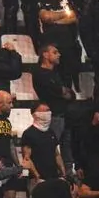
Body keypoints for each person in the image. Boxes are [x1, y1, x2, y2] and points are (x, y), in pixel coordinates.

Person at [28, 0, 80, 88]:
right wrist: (64, 14)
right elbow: (46, 17)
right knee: (51, 76)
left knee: (67, 75)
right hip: (49, 43)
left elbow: (73, 17)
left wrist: (56, 20)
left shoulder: (63, 0)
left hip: (67, 44)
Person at [31, 43, 73, 174]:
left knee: (67, 147)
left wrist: (63, 92)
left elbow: (70, 94)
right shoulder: (39, 73)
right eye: (55, 52)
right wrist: (62, 92)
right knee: (51, 148)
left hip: (64, 115)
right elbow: (58, 91)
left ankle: (68, 174)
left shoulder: (56, 73)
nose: (59, 55)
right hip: (53, 116)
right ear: (45, 54)